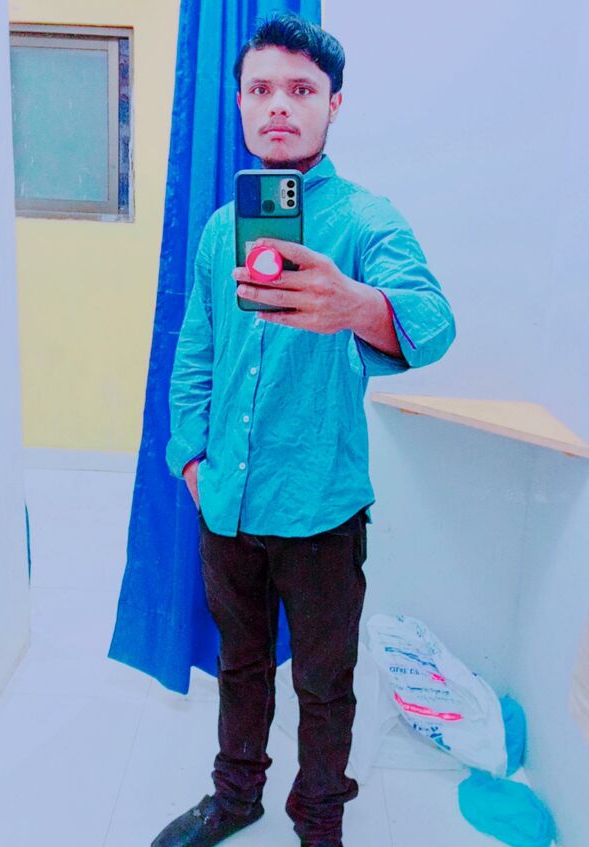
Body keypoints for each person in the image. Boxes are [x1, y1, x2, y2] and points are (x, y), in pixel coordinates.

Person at [153, 12, 456, 847]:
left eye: (301, 89)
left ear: (334, 104)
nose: (279, 105)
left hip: (321, 508)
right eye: (260, 89)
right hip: (226, 502)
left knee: (325, 684)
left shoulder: (365, 219)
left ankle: (319, 822)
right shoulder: (221, 230)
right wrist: (192, 461)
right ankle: (235, 797)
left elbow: (434, 321)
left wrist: (355, 303)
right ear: (241, 104)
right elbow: (194, 354)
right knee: (240, 665)